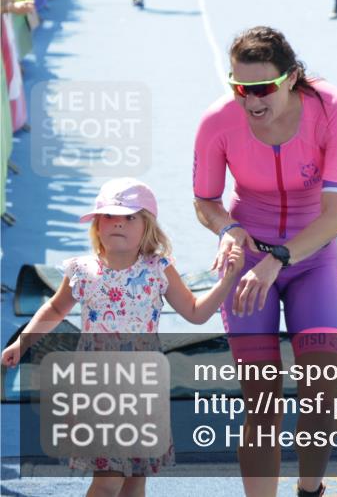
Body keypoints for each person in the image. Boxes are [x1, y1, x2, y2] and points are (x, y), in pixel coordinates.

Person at [193, 26, 337, 497]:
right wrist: (228, 229)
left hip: (311, 260)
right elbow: (205, 201)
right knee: (263, 404)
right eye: (239, 88)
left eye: (262, 88)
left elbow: (335, 217)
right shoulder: (217, 121)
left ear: (290, 79)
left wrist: (278, 260)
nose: (251, 102)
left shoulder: (334, 111)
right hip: (248, 265)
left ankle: (310, 491)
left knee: (321, 394)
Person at [1, 178, 242, 497]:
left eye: (130, 217)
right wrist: (23, 342)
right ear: (97, 225)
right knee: (108, 481)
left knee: (135, 480)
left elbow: (195, 312)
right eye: (110, 216)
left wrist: (226, 282)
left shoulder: (159, 269)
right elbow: (55, 310)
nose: (118, 223)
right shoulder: (82, 270)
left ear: (148, 227)